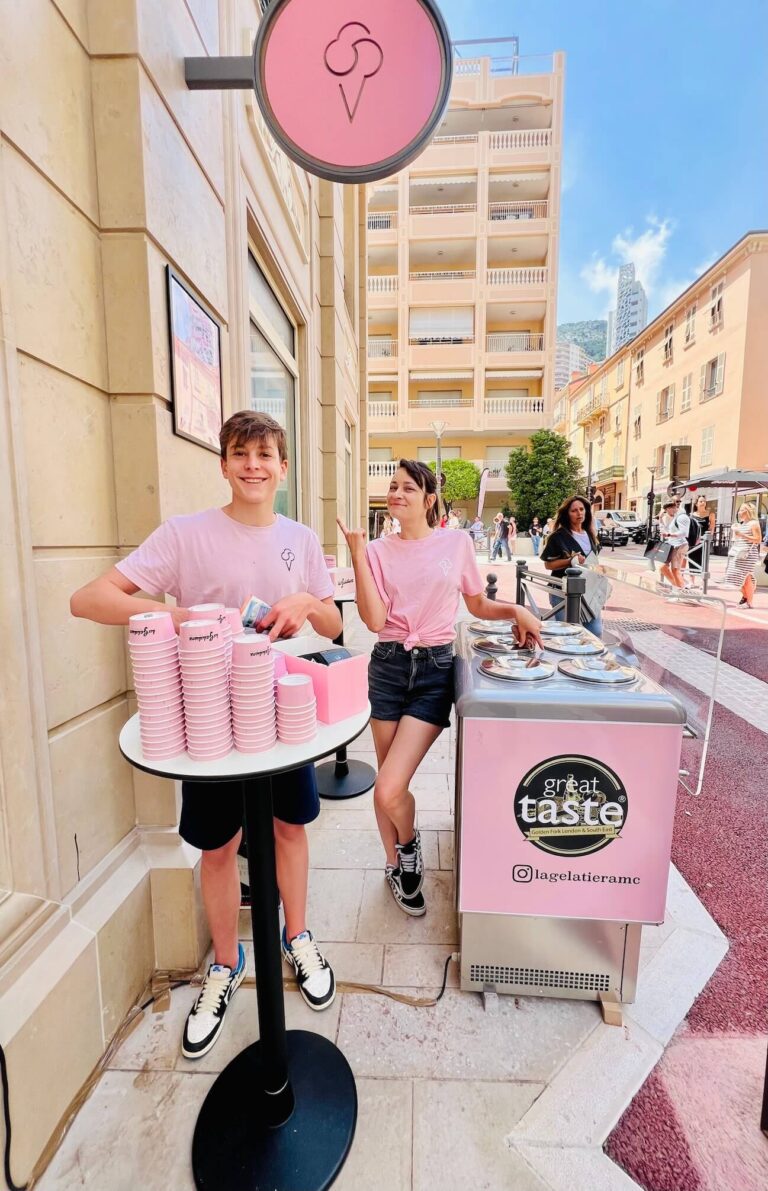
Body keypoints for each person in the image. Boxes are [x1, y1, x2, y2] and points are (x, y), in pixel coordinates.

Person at [70, 411, 341, 1059]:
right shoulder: (184, 535)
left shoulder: (300, 538)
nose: (253, 464)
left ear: (282, 468)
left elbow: (334, 625)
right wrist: (178, 614)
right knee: (217, 847)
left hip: (284, 716)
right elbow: (90, 598)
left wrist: (308, 603)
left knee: (290, 828)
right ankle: (225, 962)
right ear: (222, 465)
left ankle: (297, 937)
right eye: (240, 453)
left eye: (265, 454)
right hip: (208, 719)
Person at [338, 460, 543, 916]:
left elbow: (477, 604)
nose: (396, 493)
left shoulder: (456, 543)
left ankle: (408, 843)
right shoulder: (376, 550)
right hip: (388, 667)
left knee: (389, 787)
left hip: (433, 671)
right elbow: (373, 620)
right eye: (393, 486)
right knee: (387, 785)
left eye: (408, 488)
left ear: (429, 499)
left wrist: (516, 611)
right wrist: (357, 555)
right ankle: (396, 864)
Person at [541, 495, 603, 636]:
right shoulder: (558, 537)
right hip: (563, 592)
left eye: (581, 509)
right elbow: (548, 564)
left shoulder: (590, 534)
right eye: (574, 510)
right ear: (567, 514)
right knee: (567, 634)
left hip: (589, 591)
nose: (579, 513)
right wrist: (570, 561)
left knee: (595, 632)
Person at [725, 502, 761, 607]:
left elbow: (758, 539)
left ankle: (749, 601)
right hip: (739, 553)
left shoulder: (754, 523)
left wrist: (741, 534)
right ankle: (746, 597)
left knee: (746, 577)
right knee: (734, 576)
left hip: (748, 554)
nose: (739, 512)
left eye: (741, 510)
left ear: (748, 511)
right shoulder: (742, 523)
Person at [658, 498, 691, 590]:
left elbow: (684, 533)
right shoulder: (673, 517)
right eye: (668, 508)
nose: (670, 509)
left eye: (672, 507)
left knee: (675, 570)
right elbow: (665, 530)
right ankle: (678, 587)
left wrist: (669, 534)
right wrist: (660, 519)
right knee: (664, 568)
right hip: (672, 546)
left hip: (679, 545)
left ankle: (681, 590)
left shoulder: (681, 517)